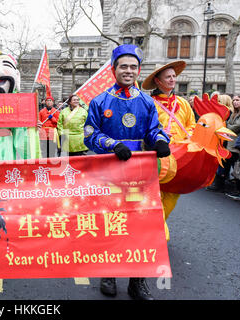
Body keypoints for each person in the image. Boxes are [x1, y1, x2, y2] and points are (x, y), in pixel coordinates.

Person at [83, 44, 170, 300]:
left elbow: (154, 129)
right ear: (113, 69)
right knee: (112, 223)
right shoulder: (100, 101)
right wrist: (112, 144)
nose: (129, 71)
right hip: (109, 171)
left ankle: (137, 280)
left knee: (141, 226)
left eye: (133, 67)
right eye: (124, 66)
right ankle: (109, 272)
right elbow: (90, 134)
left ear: (139, 70)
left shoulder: (147, 102)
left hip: (140, 174)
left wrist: (160, 140)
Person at [142, 60, 196, 228]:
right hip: (156, 155)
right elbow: (141, 128)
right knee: (154, 194)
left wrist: (188, 139)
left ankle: (156, 226)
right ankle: (156, 232)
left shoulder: (183, 103)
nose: (172, 80)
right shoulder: (147, 103)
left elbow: (191, 125)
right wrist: (156, 135)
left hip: (180, 156)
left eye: (174, 76)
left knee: (173, 194)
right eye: (168, 77)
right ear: (158, 81)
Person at [206, 94, 234, 193]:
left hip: (226, 141)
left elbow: (227, 126)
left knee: (223, 164)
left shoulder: (228, 112)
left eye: (219, 100)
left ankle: (219, 184)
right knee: (220, 163)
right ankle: (217, 182)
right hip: (220, 140)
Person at [225, 94, 240, 200]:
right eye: (234, 100)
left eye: (237, 100)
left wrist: (226, 125)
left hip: (236, 145)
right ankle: (234, 188)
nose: (235, 102)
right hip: (230, 144)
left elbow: (234, 127)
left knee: (236, 167)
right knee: (234, 168)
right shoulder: (234, 113)